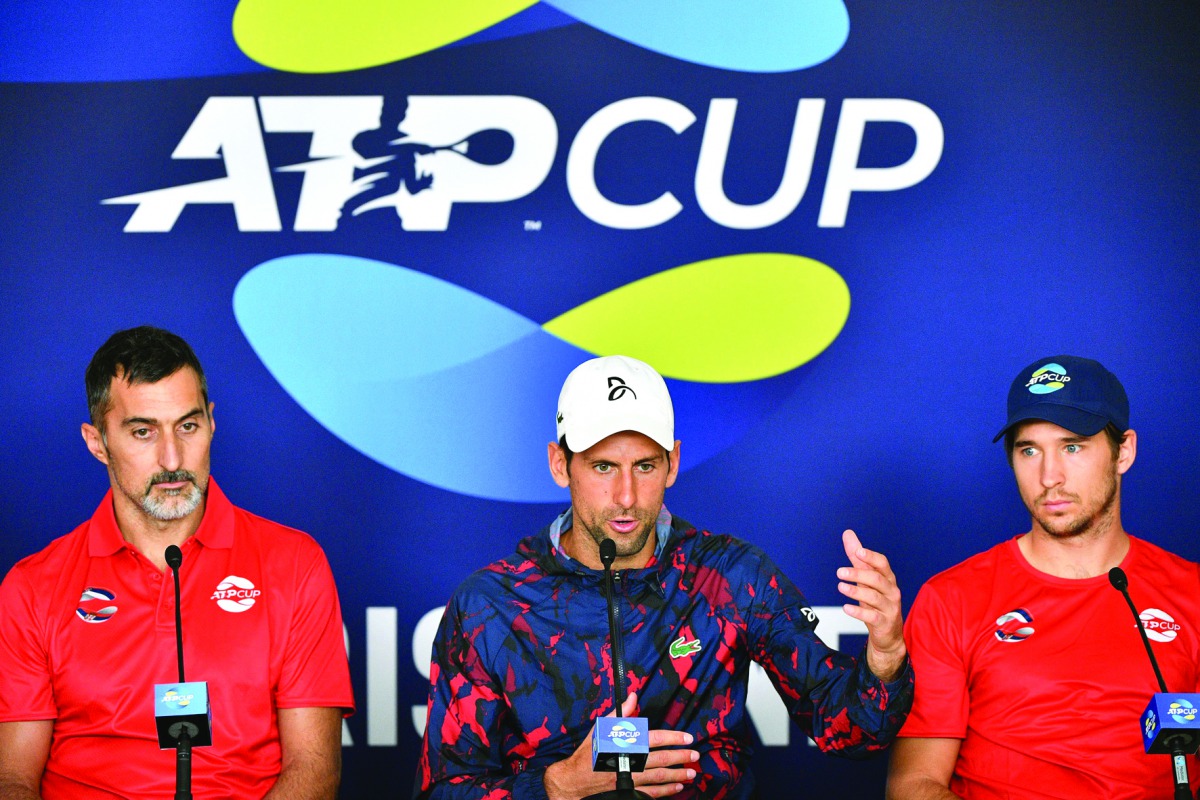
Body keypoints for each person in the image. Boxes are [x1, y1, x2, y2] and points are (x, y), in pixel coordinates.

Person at [416, 354, 914, 800]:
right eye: (604, 466)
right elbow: (443, 790)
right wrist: (555, 787)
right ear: (560, 464)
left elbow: (850, 731)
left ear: (673, 462)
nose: (627, 496)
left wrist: (886, 657)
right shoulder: (489, 606)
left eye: (646, 466)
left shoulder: (728, 576)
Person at [0, 326, 355, 800]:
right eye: (143, 431)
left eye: (187, 426)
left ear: (211, 422)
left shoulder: (294, 563)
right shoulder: (31, 587)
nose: (172, 459)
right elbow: (12, 780)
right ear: (97, 441)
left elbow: (314, 773)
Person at [887, 355, 1200, 799]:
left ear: (1123, 452)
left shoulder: (1191, 593)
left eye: (1072, 447)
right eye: (1028, 450)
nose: (1049, 476)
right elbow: (914, 786)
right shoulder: (952, 598)